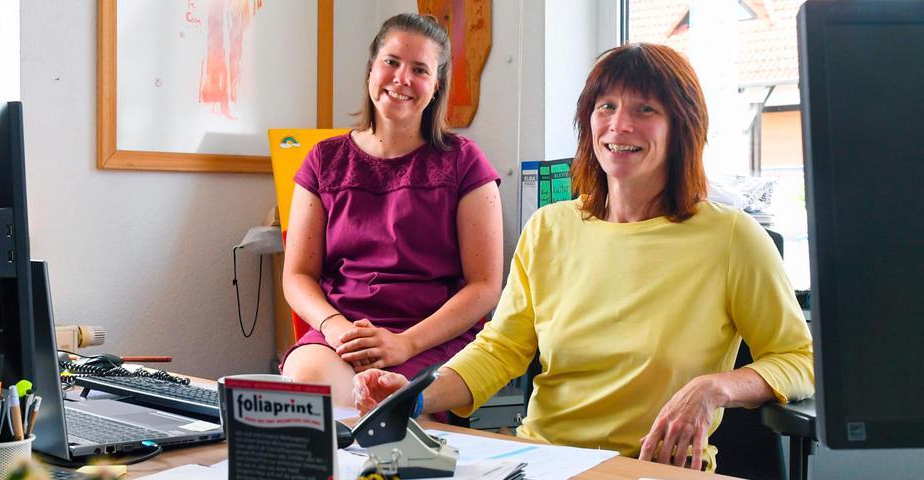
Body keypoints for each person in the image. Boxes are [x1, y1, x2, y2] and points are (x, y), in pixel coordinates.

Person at [353, 43, 814, 471]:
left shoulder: (731, 237)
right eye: (606, 107)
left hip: (652, 469)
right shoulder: (549, 228)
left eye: (645, 110)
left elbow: (799, 359)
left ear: (682, 126)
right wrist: (413, 398)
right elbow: (501, 350)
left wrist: (715, 388)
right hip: (543, 460)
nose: (619, 125)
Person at [279, 13, 503, 409]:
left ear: (436, 87)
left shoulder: (464, 162)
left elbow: (484, 286)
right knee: (310, 390)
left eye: (420, 69)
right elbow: (297, 275)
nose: (402, 78)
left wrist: (403, 343)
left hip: (429, 335)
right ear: (371, 69)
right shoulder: (322, 160)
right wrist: (336, 329)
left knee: (386, 408)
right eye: (392, 62)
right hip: (342, 331)